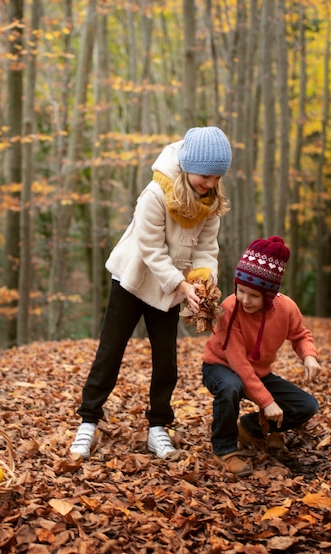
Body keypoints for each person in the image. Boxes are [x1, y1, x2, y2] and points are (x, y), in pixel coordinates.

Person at [70, 126, 232, 459]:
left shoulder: (211, 202)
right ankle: (88, 421)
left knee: (166, 361)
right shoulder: (156, 194)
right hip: (133, 281)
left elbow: (206, 248)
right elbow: (150, 249)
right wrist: (181, 283)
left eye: (217, 177)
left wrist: (202, 278)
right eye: (205, 175)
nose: (211, 183)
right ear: (187, 166)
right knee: (110, 353)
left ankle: (158, 427)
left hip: (171, 289)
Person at [202, 235, 321, 478]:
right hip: (221, 367)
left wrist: (309, 355)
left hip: (258, 373)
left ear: (269, 295)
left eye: (254, 295)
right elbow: (238, 362)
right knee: (230, 385)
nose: (244, 299)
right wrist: (266, 401)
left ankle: (250, 428)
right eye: (241, 290)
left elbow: (300, 335)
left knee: (306, 406)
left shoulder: (287, 308)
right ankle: (224, 450)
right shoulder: (230, 308)